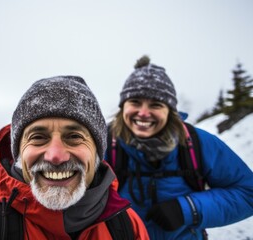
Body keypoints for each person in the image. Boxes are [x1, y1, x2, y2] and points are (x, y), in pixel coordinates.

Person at [0, 76, 149, 240]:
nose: (55, 155)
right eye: (38, 137)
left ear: (96, 151)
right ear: (18, 151)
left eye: (74, 137)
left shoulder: (128, 226)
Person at [106, 56, 253, 240]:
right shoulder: (103, 143)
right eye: (135, 102)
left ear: (170, 111)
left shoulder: (197, 143)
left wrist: (187, 208)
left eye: (156, 104)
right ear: (123, 106)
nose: (143, 113)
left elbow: (248, 192)